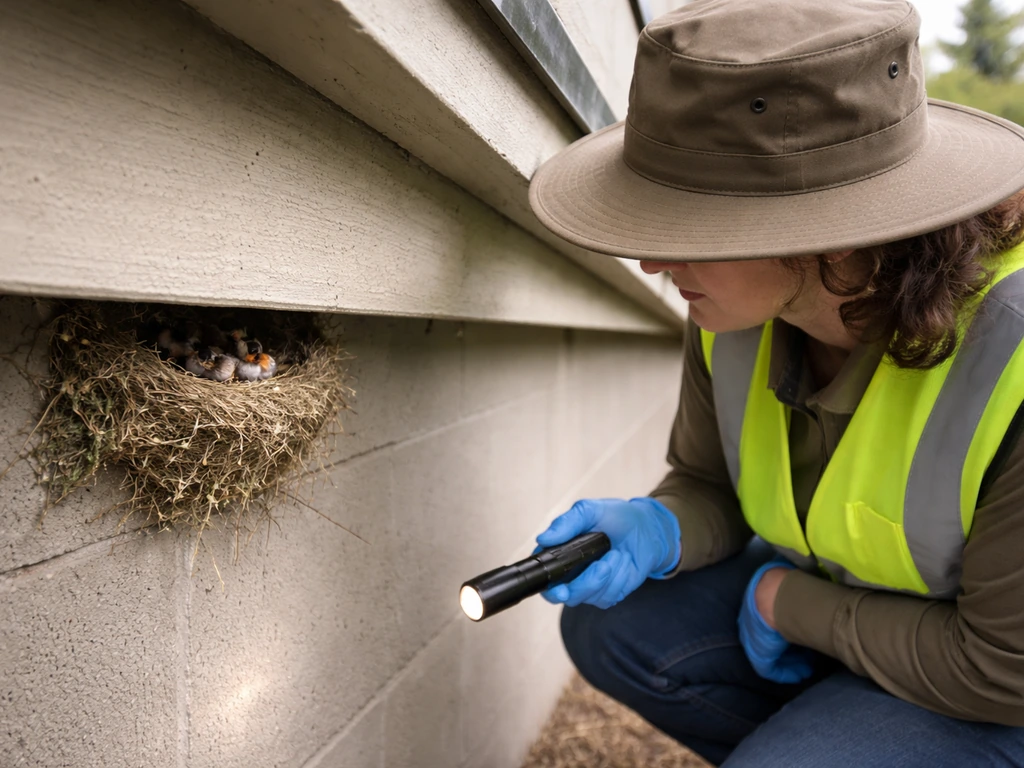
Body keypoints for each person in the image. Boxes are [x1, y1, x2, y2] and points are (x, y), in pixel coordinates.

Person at [526, 1, 1024, 766]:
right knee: (611, 624)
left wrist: (785, 603)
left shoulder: (1012, 356)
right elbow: (706, 484)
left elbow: (1003, 670)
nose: (653, 265)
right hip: (886, 631)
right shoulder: (732, 318)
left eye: (687, 226)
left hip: (997, 692)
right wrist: (660, 529)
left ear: (827, 227)